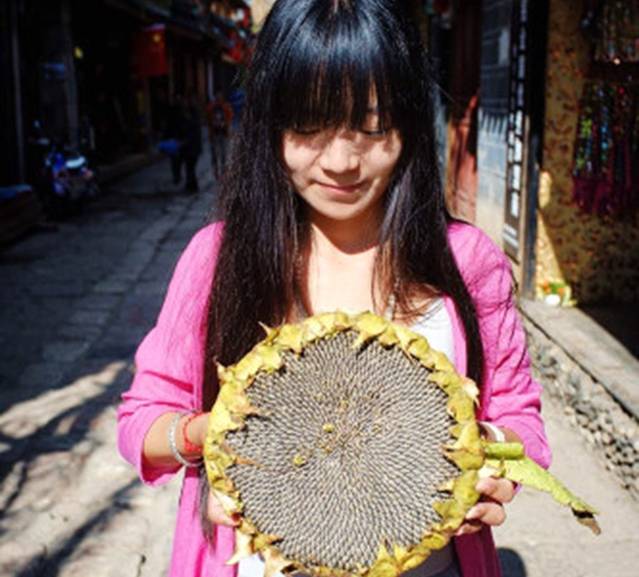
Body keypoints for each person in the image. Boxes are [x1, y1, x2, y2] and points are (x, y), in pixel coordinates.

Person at [117, 2, 551, 577]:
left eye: (372, 127)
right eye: (307, 126)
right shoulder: (219, 260)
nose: (342, 162)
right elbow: (142, 421)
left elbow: (518, 413)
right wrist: (212, 435)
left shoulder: (466, 261)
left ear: (409, 124)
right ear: (270, 125)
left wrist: (491, 455)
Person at [206, 91, 233, 179]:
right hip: (214, 134)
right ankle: (216, 171)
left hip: (224, 133)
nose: (218, 100)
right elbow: (207, 119)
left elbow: (230, 117)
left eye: (219, 98)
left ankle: (223, 171)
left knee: (224, 153)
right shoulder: (211, 107)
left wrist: (225, 124)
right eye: (217, 98)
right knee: (214, 154)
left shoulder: (226, 107)